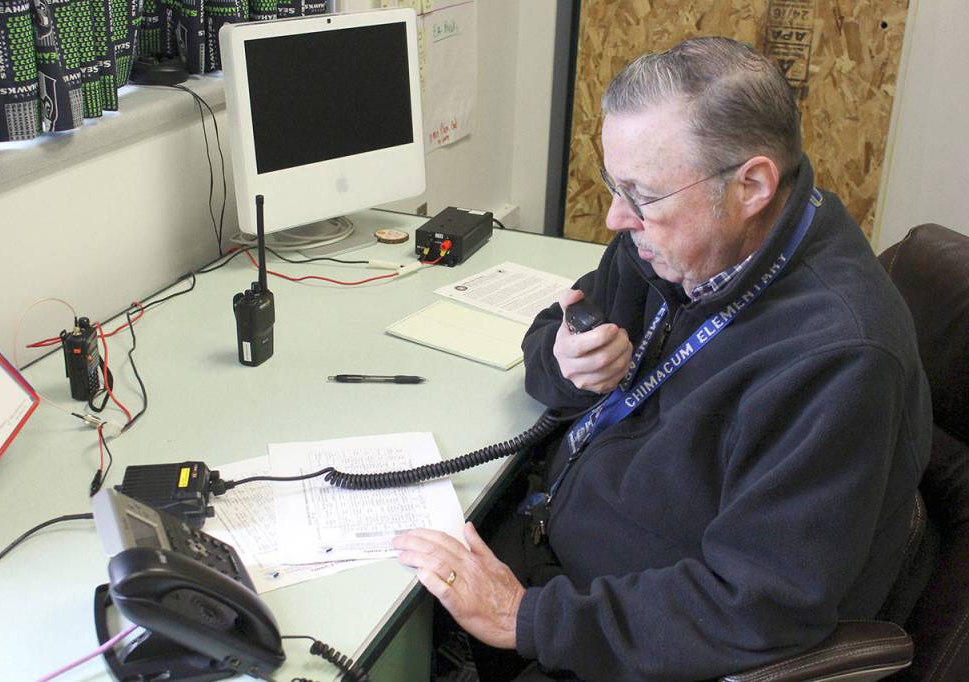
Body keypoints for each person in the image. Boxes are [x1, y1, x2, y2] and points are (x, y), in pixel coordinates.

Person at [393, 36, 932, 681]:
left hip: (633, 638)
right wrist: (564, 363)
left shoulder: (841, 358)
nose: (618, 218)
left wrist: (527, 618)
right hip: (559, 547)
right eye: (614, 185)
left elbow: (757, 608)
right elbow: (551, 335)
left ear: (752, 185)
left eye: (642, 196)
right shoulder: (675, 243)